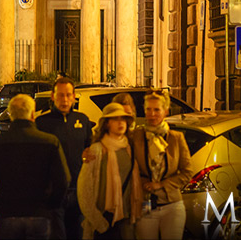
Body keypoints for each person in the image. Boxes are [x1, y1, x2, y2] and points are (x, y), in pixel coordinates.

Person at [0, 94, 70, 240]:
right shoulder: (50, 142)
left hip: (8, 213)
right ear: (32, 114)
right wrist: (50, 206)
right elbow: (63, 181)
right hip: (39, 213)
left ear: (11, 115)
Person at [36, 76, 93, 240]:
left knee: (77, 234)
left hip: (78, 191)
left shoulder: (82, 120)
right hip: (53, 192)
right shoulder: (42, 123)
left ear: (74, 96)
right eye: (60, 95)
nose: (65, 99)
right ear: (53, 96)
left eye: (68, 95)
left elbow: (90, 147)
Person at [130, 90, 192, 240]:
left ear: (165, 111)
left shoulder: (176, 138)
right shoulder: (136, 137)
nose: (152, 114)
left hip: (172, 205)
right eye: (148, 109)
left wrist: (162, 184)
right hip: (145, 205)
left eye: (156, 109)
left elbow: (187, 172)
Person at [77, 103, 137, 239]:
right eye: (115, 119)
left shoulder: (129, 147)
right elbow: (84, 190)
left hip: (126, 218)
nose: (120, 123)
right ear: (106, 124)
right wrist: (99, 223)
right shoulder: (97, 150)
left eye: (123, 119)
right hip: (104, 220)